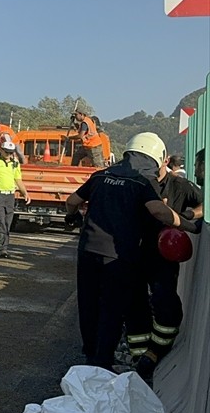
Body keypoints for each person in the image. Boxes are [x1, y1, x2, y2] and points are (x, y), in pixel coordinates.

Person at [63, 132, 196, 371]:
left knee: (89, 304)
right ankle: (101, 363)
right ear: (157, 158)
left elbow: (72, 201)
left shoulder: (100, 176)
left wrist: (71, 217)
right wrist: (187, 224)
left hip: (88, 250)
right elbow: (159, 212)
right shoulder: (141, 182)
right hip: (118, 257)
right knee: (112, 309)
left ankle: (90, 355)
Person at [128, 153, 203, 381]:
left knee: (165, 302)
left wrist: (189, 215)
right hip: (135, 254)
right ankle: (138, 359)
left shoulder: (179, 185)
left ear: (164, 160)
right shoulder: (136, 183)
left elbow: (205, 202)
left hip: (163, 257)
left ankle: (155, 352)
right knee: (134, 305)